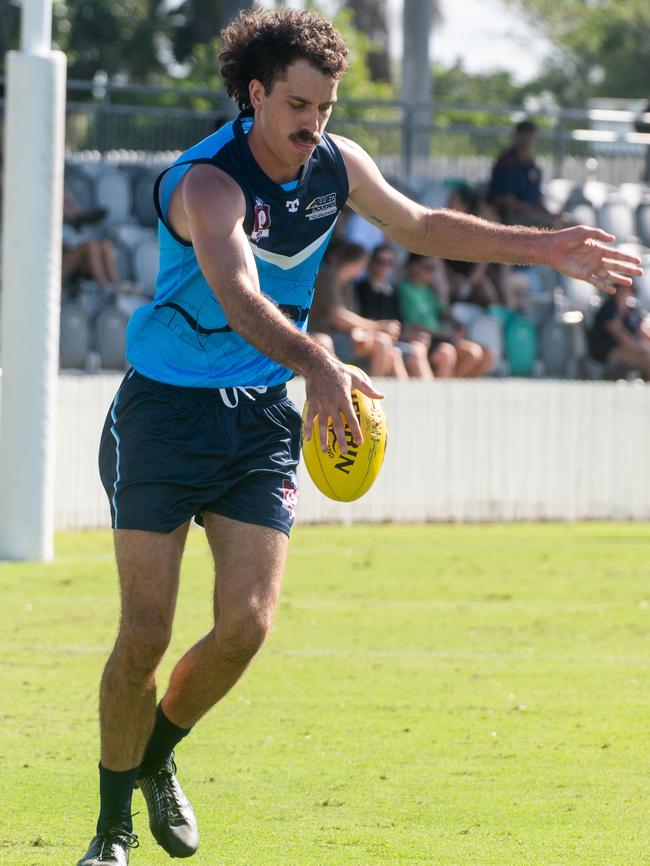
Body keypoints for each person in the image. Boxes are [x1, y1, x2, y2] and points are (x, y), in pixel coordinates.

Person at [77, 8, 642, 865]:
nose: (315, 124)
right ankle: (110, 832)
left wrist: (549, 246)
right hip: (164, 413)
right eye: (299, 105)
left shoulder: (335, 166)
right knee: (146, 634)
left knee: (247, 626)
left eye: (328, 108)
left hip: (262, 418)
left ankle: (154, 759)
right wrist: (322, 363)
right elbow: (237, 294)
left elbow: (419, 227)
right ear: (256, 93)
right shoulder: (208, 183)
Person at [308, 239, 408, 378]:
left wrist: (359, 330)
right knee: (381, 343)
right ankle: (373, 396)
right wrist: (378, 326)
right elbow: (337, 317)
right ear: (359, 262)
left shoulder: (347, 283)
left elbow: (349, 318)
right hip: (321, 334)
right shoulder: (327, 276)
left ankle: (386, 396)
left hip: (342, 336)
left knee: (392, 353)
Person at [396, 254, 492, 378]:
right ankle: (444, 390)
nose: (432, 272)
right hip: (426, 340)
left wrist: (458, 323)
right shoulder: (404, 290)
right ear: (414, 266)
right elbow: (412, 325)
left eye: (434, 268)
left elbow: (442, 312)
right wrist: (444, 335)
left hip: (439, 338)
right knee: (466, 353)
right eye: (428, 267)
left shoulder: (427, 290)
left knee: (487, 354)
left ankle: (452, 388)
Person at [355, 243, 433, 379]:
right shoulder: (359, 289)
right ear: (371, 263)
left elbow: (399, 326)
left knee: (418, 349)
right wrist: (381, 328)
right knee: (394, 354)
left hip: (392, 341)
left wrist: (412, 336)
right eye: (380, 261)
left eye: (389, 262)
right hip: (369, 341)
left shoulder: (392, 292)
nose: (384, 266)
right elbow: (357, 321)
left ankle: (427, 398)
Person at [488, 119, 564, 229]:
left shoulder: (533, 166)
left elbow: (537, 199)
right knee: (551, 226)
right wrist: (536, 212)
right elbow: (507, 201)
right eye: (523, 136)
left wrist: (550, 214)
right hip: (510, 217)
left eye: (530, 136)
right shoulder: (506, 164)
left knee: (568, 223)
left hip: (531, 214)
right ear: (516, 137)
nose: (527, 140)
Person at [588, 284, 650, 376]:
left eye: (628, 290)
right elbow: (620, 335)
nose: (625, 293)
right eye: (622, 289)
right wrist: (640, 349)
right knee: (645, 357)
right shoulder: (608, 308)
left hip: (628, 348)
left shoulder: (631, 310)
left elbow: (642, 328)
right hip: (606, 351)